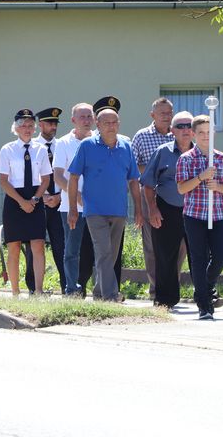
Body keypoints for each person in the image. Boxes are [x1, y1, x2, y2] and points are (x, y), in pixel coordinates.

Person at [68, 106, 143, 301]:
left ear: (119, 124)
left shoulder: (126, 147)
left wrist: (139, 209)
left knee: (112, 254)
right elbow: (73, 177)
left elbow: (134, 180)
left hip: (119, 210)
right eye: (106, 123)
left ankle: (100, 291)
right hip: (94, 211)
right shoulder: (86, 146)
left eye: (114, 122)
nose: (111, 126)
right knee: (103, 251)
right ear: (98, 125)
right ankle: (110, 295)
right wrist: (73, 209)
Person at [176, 115, 223, 320]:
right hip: (194, 215)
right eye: (201, 133)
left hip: (217, 214)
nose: (205, 136)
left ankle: (206, 286)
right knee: (198, 259)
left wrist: (217, 186)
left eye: (209, 132)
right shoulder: (186, 159)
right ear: (193, 134)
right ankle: (204, 304)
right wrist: (201, 177)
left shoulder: (222, 158)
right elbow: (182, 188)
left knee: (221, 256)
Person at [139, 111, 194, 308]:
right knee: (165, 256)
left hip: (195, 210)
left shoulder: (201, 152)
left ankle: (205, 296)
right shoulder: (163, 152)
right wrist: (152, 209)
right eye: (181, 126)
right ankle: (164, 299)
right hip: (166, 208)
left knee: (200, 253)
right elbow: (147, 183)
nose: (186, 129)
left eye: (189, 126)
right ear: (172, 131)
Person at [0, 109, 52, 296]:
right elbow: (3, 180)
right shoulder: (7, 149)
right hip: (14, 199)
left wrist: (35, 199)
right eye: (23, 126)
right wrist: (21, 201)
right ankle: (15, 291)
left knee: (37, 245)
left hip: (35, 198)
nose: (27, 129)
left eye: (30, 126)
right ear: (16, 128)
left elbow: (45, 179)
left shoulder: (41, 150)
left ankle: (38, 289)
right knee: (14, 245)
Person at [132, 97, 179, 301]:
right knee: (152, 247)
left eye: (169, 113)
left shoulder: (179, 133)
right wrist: (155, 170)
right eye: (162, 113)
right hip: (149, 194)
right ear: (152, 115)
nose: (167, 117)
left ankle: (171, 285)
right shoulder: (142, 136)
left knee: (181, 245)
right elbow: (133, 168)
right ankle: (156, 289)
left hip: (176, 196)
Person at [53, 103, 96, 296]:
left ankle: (101, 289)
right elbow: (58, 176)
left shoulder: (100, 140)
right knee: (72, 250)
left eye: (89, 116)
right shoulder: (63, 143)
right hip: (71, 207)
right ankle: (72, 288)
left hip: (97, 205)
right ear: (73, 120)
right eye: (82, 117)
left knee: (99, 249)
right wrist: (76, 197)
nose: (87, 121)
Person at [23, 107, 66, 294]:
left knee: (62, 247)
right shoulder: (30, 146)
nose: (53, 126)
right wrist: (42, 196)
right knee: (34, 248)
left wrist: (58, 197)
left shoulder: (62, 145)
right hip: (38, 203)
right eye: (49, 123)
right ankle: (34, 288)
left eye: (55, 123)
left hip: (60, 203)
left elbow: (67, 175)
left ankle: (67, 287)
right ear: (40, 125)